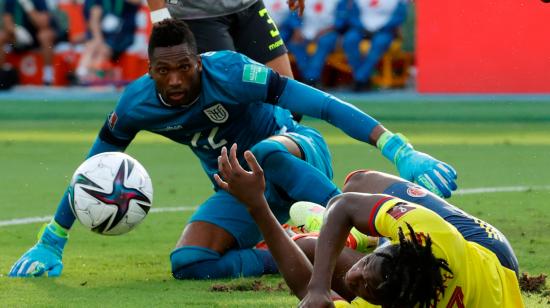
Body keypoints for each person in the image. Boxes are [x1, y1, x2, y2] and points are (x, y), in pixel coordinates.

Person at [9, 19, 457, 280]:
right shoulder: (135, 103)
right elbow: (93, 168)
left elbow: (319, 103)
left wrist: (398, 148)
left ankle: (372, 228)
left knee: (263, 154)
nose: (177, 80)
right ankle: (294, 245)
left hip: (294, 154)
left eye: (184, 67)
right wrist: (53, 239)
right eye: (164, 71)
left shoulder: (233, 73)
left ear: (197, 61)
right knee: (189, 262)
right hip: (242, 189)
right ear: (150, 71)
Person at [214, 144, 523, 307]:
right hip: (486, 250)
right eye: (367, 266)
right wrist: (320, 287)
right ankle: (367, 237)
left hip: (482, 281)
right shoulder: (434, 234)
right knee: (358, 183)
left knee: (308, 248)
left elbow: (304, 293)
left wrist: (257, 204)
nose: (355, 276)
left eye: (365, 287)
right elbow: (345, 204)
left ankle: (356, 236)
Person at [145, 0, 303, 120]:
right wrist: (161, 19)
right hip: (198, 17)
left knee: (290, 105)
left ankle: (274, 157)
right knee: (232, 108)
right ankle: (240, 160)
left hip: (250, 7)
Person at [342, 0, 408, 91]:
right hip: (361, 29)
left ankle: (359, 79)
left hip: (385, 30)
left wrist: (381, 28)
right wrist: (362, 27)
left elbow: (399, 17)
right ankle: (362, 77)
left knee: (379, 44)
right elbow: (353, 15)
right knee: (349, 40)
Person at [75, 0, 142, 84]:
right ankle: (83, 75)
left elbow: (137, 2)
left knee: (102, 51)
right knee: (92, 46)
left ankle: (87, 77)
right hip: (104, 37)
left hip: (122, 36)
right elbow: (94, 20)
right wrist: (99, 40)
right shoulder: (97, 3)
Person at [0, 0, 61, 85]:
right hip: (19, 37)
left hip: (37, 37)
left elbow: (43, 24)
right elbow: (7, 22)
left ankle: (48, 76)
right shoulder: (10, 1)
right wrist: (16, 31)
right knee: (1, 36)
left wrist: (29, 8)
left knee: (44, 36)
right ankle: (1, 75)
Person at [285, 0, 345, 86]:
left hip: (328, 32)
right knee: (295, 44)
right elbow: (293, 16)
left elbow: (340, 20)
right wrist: (297, 30)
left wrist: (325, 31)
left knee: (324, 43)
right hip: (305, 31)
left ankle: (310, 79)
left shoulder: (338, 1)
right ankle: (310, 78)